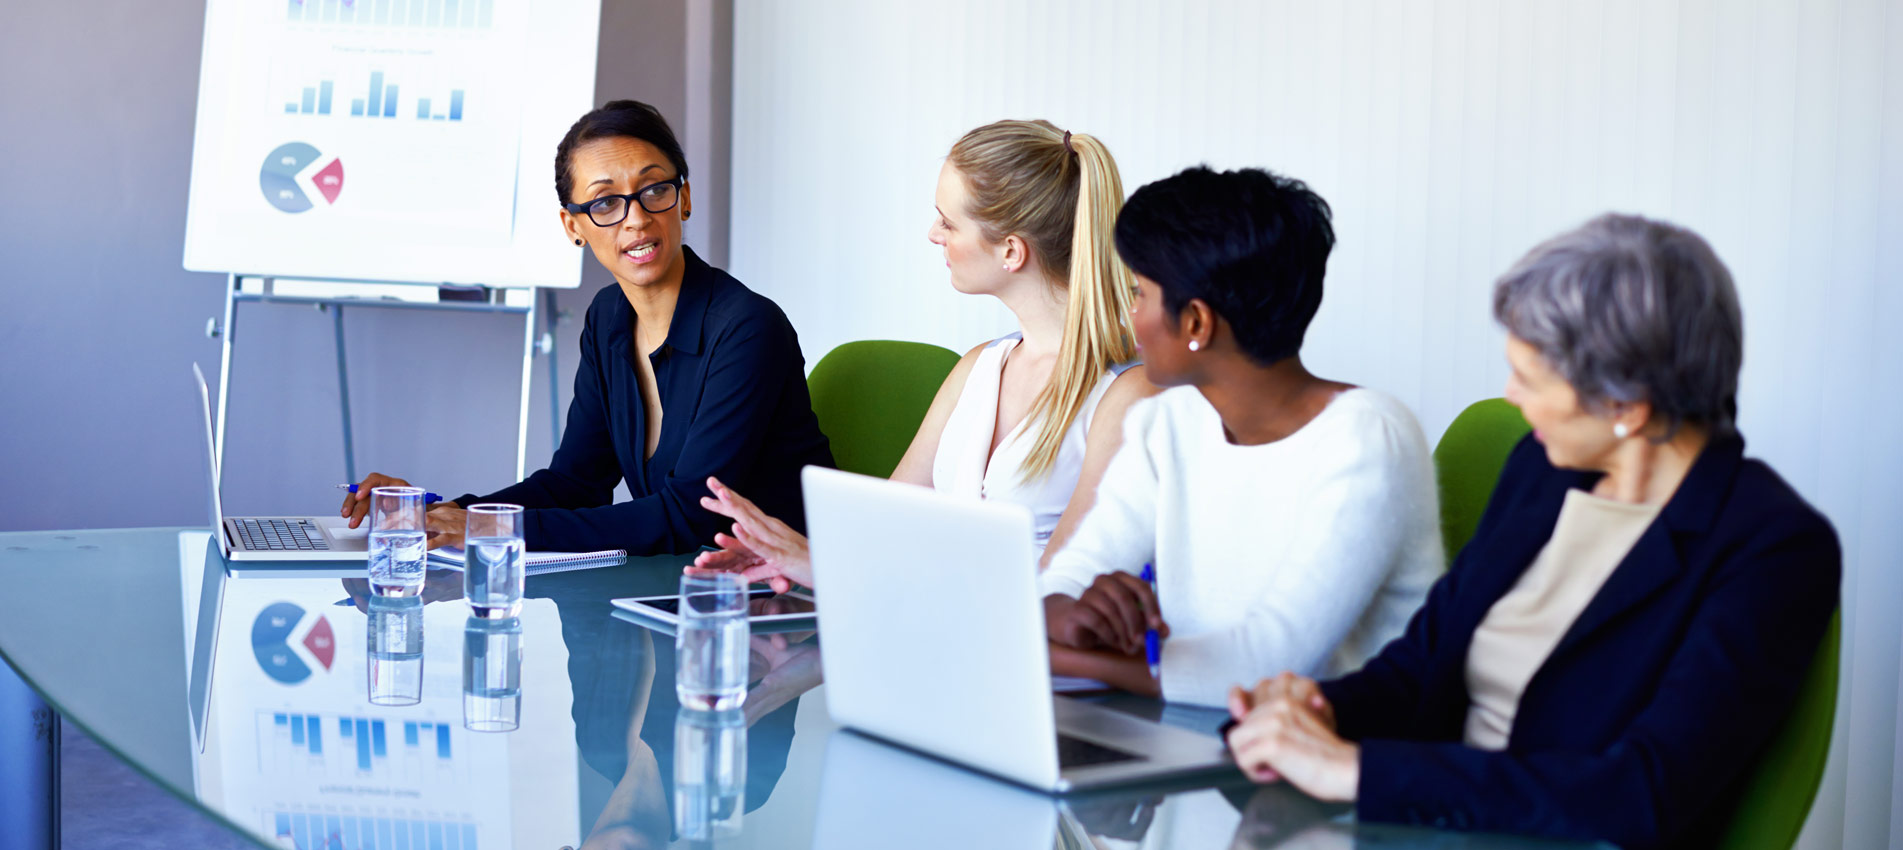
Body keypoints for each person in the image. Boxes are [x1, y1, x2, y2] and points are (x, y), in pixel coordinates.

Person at [1223, 214, 1841, 849]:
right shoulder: (1541, 472)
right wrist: (1318, 712)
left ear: (1626, 405)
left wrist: (1357, 771)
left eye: (1531, 378)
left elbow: (1642, 793)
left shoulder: (1773, 545)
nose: (1510, 396)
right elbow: (1421, 667)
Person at [340, 100, 833, 554]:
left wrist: (489, 527)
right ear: (572, 225)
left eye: (655, 189)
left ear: (683, 199)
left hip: (787, 608)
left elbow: (692, 516)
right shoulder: (609, 318)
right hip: (684, 590)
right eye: (604, 202)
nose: (636, 218)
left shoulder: (747, 329)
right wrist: (442, 515)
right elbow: (575, 483)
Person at [688, 120, 1158, 591]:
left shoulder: (1124, 395)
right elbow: (882, 527)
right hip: (929, 632)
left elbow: (1058, 592)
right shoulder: (978, 367)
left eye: (949, 222)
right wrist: (785, 551)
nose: (934, 234)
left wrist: (831, 569)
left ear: (1011, 251)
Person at [1039, 166, 1443, 706]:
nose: (1129, 315)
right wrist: (1069, 611)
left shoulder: (1369, 439)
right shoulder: (1167, 423)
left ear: (1196, 324)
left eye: (1139, 294)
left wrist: (1059, 655)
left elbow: (1270, 666)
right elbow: (1069, 573)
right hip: (1201, 736)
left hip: (1338, 759)